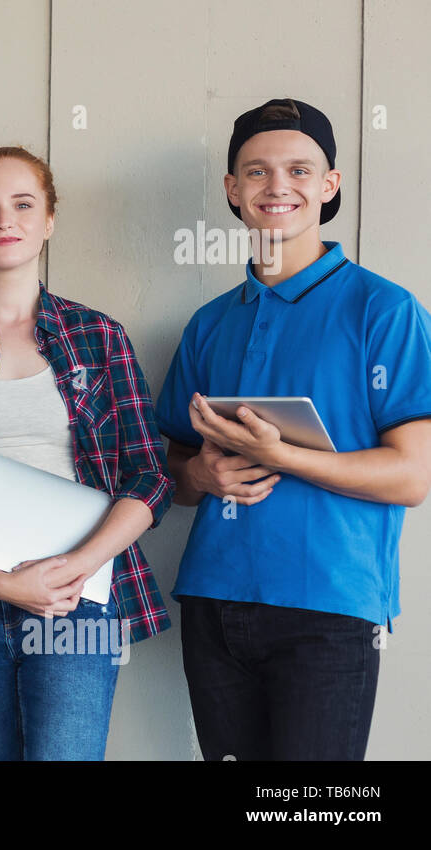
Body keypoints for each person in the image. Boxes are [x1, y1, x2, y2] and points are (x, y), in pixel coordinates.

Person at [155, 98, 431, 761]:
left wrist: (284, 456)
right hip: (213, 602)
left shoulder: (385, 311)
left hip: (330, 610)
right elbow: (172, 474)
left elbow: (413, 477)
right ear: (232, 190)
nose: (278, 186)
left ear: (329, 185)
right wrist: (198, 473)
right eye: (256, 171)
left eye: (300, 170)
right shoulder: (209, 323)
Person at [0, 146, 175, 760]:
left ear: (48, 220)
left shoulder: (98, 336)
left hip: (79, 598)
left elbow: (150, 476)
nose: (4, 221)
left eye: (23, 204)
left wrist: (77, 565)